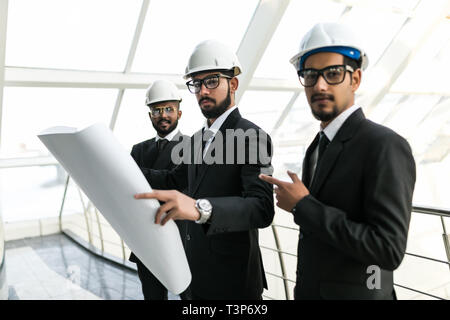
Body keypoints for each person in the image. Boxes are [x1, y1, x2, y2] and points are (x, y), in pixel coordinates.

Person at [259, 23, 416, 300]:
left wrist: (303, 205)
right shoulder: (315, 148)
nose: (319, 85)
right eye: (310, 75)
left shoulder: (384, 145)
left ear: (355, 79)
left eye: (333, 74)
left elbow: (388, 249)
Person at [134, 40, 274, 300]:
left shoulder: (251, 136)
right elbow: (173, 179)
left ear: (233, 84)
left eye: (211, 81)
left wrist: (201, 209)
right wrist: (125, 167)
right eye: (196, 84)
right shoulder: (197, 139)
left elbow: (261, 208)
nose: (202, 91)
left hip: (233, 279)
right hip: (194, 273)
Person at [128, 79, 189, 300]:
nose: (162, 115)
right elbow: (128, 191)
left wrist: (134, 173)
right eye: (156, 110)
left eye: (169, 109)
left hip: (182, 241)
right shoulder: (138, 149)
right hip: (146, 241)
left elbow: (180, 186)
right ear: (149, 115)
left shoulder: (194, 147)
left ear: (179, 113)